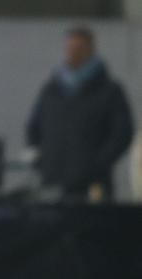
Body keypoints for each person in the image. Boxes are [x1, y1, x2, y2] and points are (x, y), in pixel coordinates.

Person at [26, 26, 134, 201]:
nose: (73, 53)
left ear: (90, 50)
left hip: (93, 185)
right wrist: (40, 160)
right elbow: (33, 128)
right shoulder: (51, 90)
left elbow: (122, 133)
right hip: (53, 182)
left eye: (78, 49)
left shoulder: (110, 91)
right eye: (69, 48)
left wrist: (97, 164)